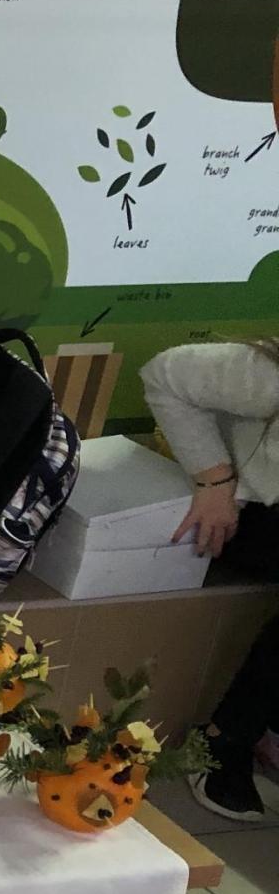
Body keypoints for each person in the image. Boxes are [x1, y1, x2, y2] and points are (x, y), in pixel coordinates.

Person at [140, 338, 279, 821]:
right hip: (249, 508)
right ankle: (224, 739)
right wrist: (214, 480)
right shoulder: (267, 375)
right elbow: (164, 373)